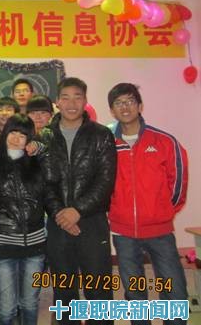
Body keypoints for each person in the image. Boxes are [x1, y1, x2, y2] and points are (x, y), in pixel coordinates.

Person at [107, 83, 188, 325]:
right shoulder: (107, 143)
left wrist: (163, 211)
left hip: (159, 231)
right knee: (135, 295)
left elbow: (179, 180)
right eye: (119, 103)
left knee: (174, 290)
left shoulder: (164, 141)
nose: (125, 107)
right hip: (123, 232)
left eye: (130, 101)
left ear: (140, 106)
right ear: (112, 110)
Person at [44, 77, 116, 325]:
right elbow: (44, 183)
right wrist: (61, 214)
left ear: (85, 101)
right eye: (65, 97)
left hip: (92, 222)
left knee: (99, 290)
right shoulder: (45, 136)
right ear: (57, 102)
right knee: (64, 292)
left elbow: (106, 181)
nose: (71, 103)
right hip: (58, 223)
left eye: (77, 97)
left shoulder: (101, 134)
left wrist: (77, 211)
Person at [0, 115, 53, 325]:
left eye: (23, 135)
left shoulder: (36, 162)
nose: (16, 138)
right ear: (5, 132)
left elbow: (52, 179)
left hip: (35, 243)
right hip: (2, 242)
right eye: (13, 132)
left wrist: (42, 151)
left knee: (30, 302)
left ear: (30, 138)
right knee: (7, 306)